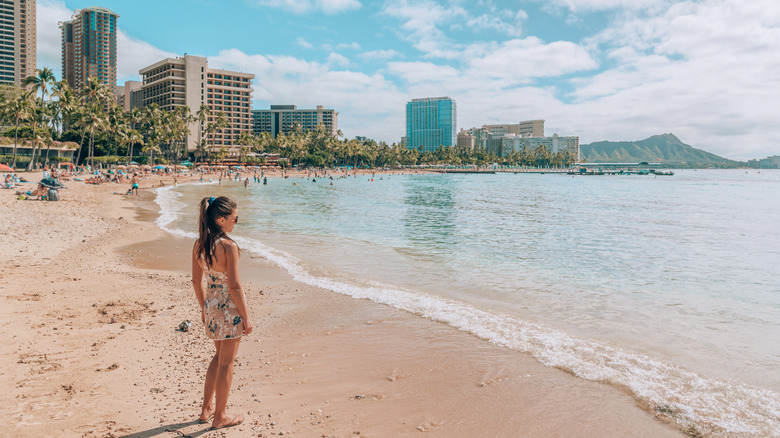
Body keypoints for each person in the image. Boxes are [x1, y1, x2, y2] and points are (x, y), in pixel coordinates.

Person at [191, 196, 253, 430]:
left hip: (212, 306)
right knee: (227, 362)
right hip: (229, 309)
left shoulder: (199, 245)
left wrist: (204, 308)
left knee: (218, 358)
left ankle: (207, 409)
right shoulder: (229, 246)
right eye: (235, 218)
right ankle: (220, 416)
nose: (236, 222)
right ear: (221, 219)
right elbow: (235, 286)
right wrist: (246, 316)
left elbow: (197, 282)